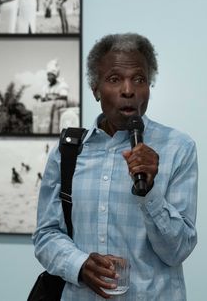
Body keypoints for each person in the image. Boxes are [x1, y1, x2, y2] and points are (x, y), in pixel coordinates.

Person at [33, 33, 198, 300]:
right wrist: (81, 265)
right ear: (95, 89)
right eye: (114, 79)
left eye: (139, 79)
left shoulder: (178, 147)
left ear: (149, 86)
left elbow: (177, 251)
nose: (128, 90)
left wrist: (150, 191)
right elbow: (46, 235)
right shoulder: (69, 151)